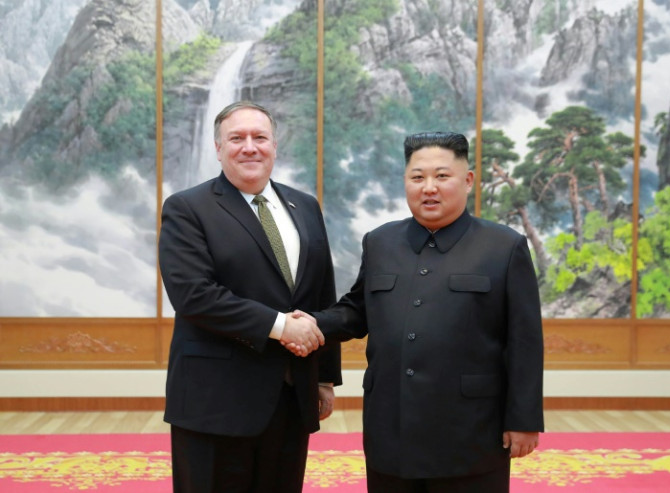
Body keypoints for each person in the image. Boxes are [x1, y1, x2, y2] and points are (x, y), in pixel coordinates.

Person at [296, 131, 544, 492]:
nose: (429, 187)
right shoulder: (380, 242)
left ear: (468, 180)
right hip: (391, 425)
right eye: (418, 177)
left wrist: (523, 419)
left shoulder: (504, 247)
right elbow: (357, 310)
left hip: (471, 429)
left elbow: (524, 340)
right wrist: (308, 324)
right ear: (406, 182)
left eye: (442, 176)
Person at [158, 100, 341, 493]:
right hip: (215, 402)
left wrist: (324, 378)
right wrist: (280, 327)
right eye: (236, 138)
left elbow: (322, 292)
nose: (249, 147)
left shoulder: (305, 207)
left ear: (276, 145)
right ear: (218, 148)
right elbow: (194, 295)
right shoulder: (188, 208)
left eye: (260, 137)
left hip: (291, 395)